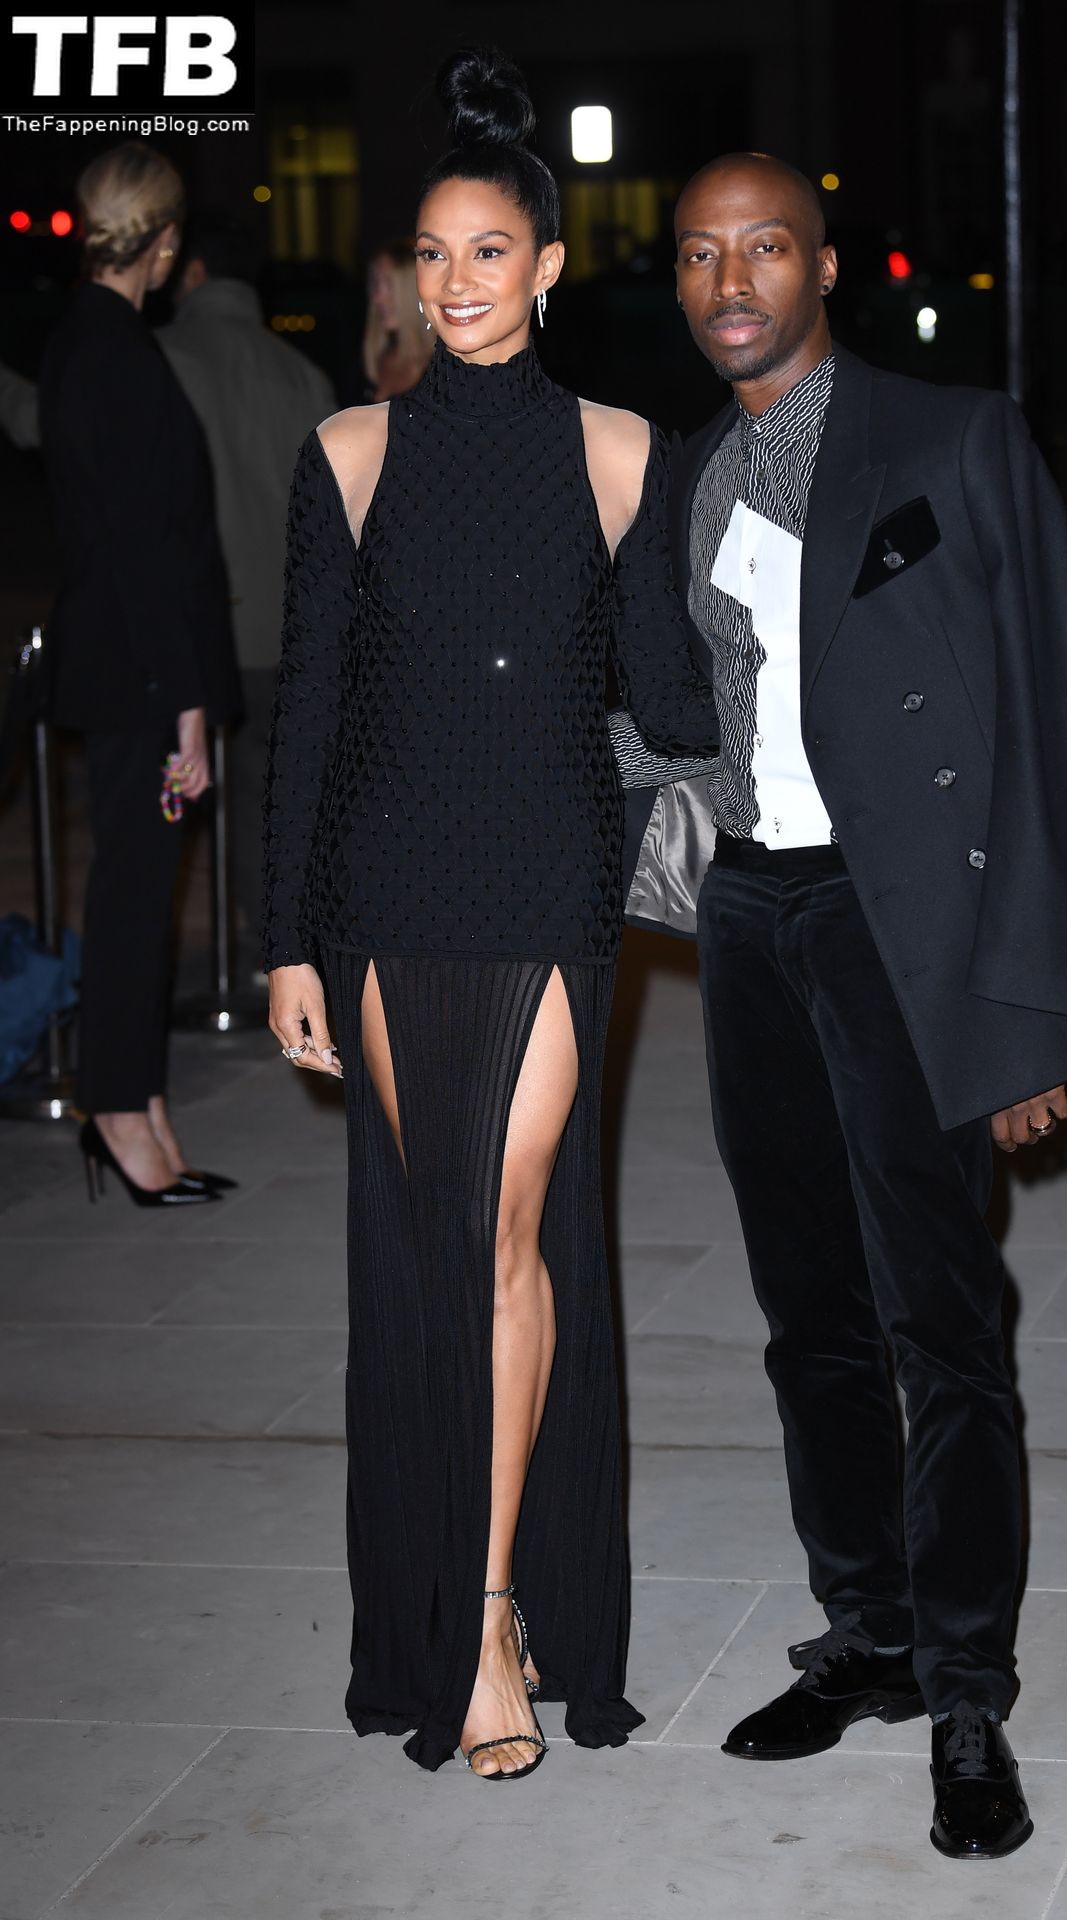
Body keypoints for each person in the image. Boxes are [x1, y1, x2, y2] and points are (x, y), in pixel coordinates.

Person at [662, 152, 1067, 1858]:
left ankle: (964, 1691)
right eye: (701, 253)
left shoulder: (954, 438)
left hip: (902, 925)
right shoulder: (687, 472)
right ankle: (864, 1630)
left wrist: (1020, 1011)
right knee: (807, 1308)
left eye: (764, 248)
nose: (731, 280)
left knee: (940, 1319)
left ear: (824, 266)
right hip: (750, 911)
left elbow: (1053, 715)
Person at [262, 50, 718, 1780]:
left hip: (545, 881)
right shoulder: (348, 452)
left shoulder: (619, 451)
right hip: (387, 886)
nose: (456, 283)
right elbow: (310, 716)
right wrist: (289, 939)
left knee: (503, 1222)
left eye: (489, 253)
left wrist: (755, 593)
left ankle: (490, 1610)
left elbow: (669, 702)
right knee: (441, 1238)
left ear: (547, 267)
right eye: (433, 255)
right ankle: (457, 1606)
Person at [39, 141, 241, 1205]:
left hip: (130, 666)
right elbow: (143, 550)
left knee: (141, 891)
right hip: (142, 676)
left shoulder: (94, 340)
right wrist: (188, 706)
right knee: (131, 894)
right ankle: (117, 1110)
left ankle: (140, 1101)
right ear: (163, 243)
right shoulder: (110, 352)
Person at [159, 211, 336, 952]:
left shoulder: (160, 358)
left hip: (194, 631)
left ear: (194, 273)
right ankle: (275, 951)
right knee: (274, 799)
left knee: (175, 803)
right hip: (288, 629)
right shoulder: (302, 373)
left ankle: (198, 961)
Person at [362, 237, 436, 398]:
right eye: (375, 284)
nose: (377, 297)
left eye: (389, 285)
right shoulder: (371, 363)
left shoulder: (444, 372)